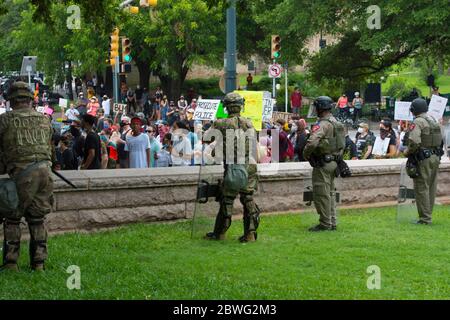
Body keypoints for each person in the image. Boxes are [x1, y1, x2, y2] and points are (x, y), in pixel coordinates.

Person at [0, 81, 54, 271]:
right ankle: (39, 263)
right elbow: (50, 148)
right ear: (30, 100)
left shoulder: (5, 120)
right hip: (45, 173)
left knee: (13, 218)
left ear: (12, 100)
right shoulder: (44, 119)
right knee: (37, 218)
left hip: (23, 175)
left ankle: (11, 262)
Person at [205, 92, 260, 243]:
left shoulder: (221, 123)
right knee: (248, 199)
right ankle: (250, 234)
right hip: (249, 166)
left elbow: (206, 138)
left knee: (227, 200)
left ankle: (220, 232)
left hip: (233, 167)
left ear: (226, 106)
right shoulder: (249, 123)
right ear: (241, 106)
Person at [303, 96, 345, 232]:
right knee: (330, 193)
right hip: (334, 161)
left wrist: (306, 154)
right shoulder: (335, 122)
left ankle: (325, 223)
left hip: (323, 163)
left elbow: (312, 141)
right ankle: (332, 221)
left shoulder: (323, 124)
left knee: (321, 193)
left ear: (320, 108)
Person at [404, 98, 443, 225]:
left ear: (414, 110)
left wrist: (408, 152)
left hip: (423, 158)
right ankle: (428, 215)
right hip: (435, 156)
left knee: (421, 187)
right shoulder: (433, 120)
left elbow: (414, 141)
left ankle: (425, 219)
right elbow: (441, 138)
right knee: (431, 186)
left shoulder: (418, 122)